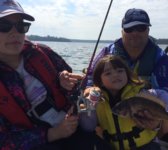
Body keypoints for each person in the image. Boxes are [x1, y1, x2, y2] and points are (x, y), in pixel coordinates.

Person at [0, 0, 111, 150]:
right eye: (4, 26)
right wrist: (53, 133)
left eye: (21, 26)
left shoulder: (43, 52)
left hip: (74, 128)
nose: (15, 33)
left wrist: (65, 80)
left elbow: (80, 86)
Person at [81, 55, 168, 150]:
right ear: (100, 81)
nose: (115, 75)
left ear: (127, 74)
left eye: (120, 71)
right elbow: (88, 126)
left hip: (146, 145)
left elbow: (163, 94)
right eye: (108, 73)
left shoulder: (140, 93)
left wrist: (161, 121)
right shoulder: (97, 99)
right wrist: (89, 104)